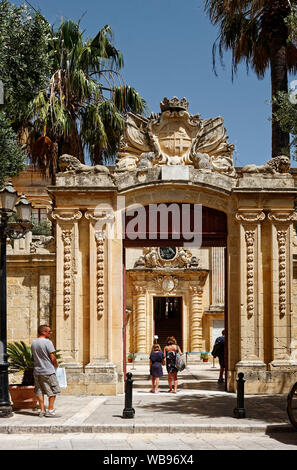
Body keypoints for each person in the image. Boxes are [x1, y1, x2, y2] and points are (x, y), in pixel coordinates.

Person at [31, 325, 60, 417]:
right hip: (48, 371)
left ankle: (42, 410)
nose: (50, 333)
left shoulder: (34, 343)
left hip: (37, 371)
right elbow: (52, 357)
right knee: (53, 390)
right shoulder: (48, 342)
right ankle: (50, 410)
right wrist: (56, 365)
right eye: (49, 331)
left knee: (39, 391)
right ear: (43, 332)